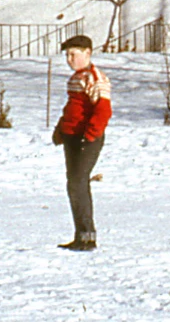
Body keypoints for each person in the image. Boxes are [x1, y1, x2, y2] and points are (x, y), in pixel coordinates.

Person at [50, 32, 113, 247]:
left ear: (87, 53)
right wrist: (61, 129)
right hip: (72, 137)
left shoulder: (95, 78)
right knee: (74, 185)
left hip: (87, 138)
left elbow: (103, 111)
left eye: (73, 54)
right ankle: (81, 236)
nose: (69, 60)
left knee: (78, 183)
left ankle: (88, 237)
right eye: (67, 55)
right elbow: (72, 108)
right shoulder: (75, 79)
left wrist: (90, 135)